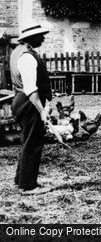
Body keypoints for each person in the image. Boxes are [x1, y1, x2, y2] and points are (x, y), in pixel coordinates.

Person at [10, 23, 52, 194]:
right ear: (31, 38)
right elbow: (31, 89)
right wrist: (42, 110)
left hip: (21, 101)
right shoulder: (27, 57)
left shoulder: (18, 51)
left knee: (27, 141)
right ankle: (28, 186)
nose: (43, 38)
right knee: (33, 143)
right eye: (40, 35)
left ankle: (20, 180)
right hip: (29, 102)